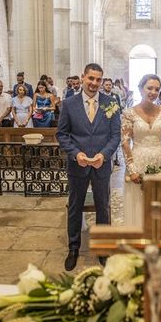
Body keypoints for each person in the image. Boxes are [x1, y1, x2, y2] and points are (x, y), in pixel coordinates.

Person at [57, 63, 121, 270]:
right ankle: (73, 247)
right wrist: (76, 154)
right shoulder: (69, 104)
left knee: (103, 206)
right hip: (78, 165)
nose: (94, 83)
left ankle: (103, 248)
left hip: (101, 165)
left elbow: (115, 135)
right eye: (91, 78)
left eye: (98, 80)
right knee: (75, 206)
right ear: (83, 77)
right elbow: (62, 134)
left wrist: (104, 154)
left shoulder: (111, 103)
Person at [121, 74, 161, 228]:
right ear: (141, 89)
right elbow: (125, 142)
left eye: (157, 89)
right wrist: (132, 169)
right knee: (139, 203)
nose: (153, 92)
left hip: (160, 161)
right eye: (149, 88)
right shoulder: (129, 114)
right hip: (138, 162)